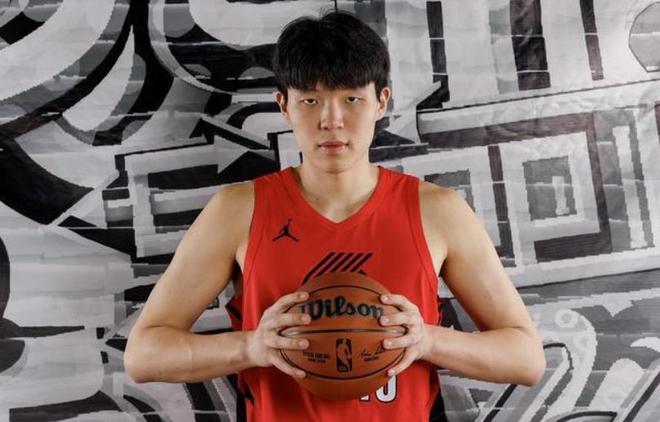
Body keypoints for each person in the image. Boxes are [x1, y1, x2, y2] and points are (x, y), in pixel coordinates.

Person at [124, 9, 546, 421]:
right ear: (284, 106)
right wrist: (251, 347)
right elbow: (144, 355)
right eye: (310, 100)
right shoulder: (238, 210)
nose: (332, 120)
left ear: (381, 102)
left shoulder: (437, 211)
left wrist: (427, 341)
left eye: (351, 99)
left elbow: (525, 358)